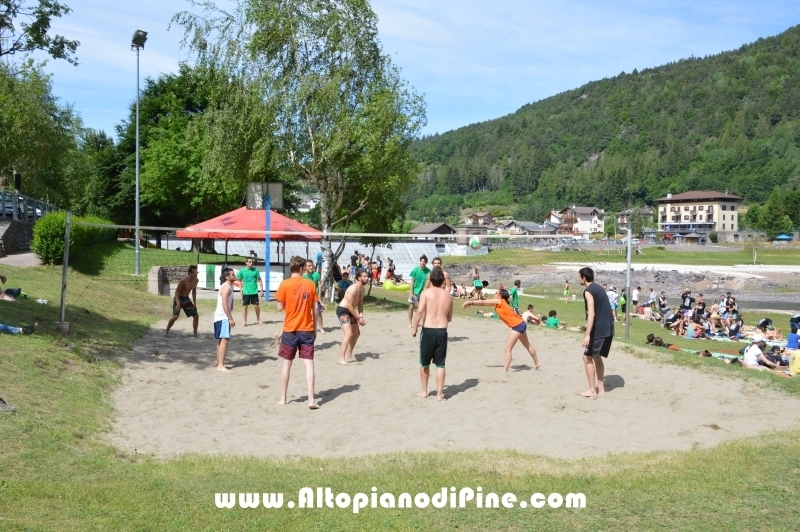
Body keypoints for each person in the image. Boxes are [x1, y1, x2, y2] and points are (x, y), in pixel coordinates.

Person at [276, 256, 320, 409]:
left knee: (287, 363)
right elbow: (315, 309)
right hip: (306, 329)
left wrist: (290, 303)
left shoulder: (284, 284)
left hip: (290, 330)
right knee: (309, 364)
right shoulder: (310, 284)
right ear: (302, 268)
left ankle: (283, 398)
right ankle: (311, 400)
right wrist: (315, 329)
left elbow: (279, 307)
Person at [462, 289, 541, 372]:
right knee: (527, 345)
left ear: (499, 295)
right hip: (521, 324)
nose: (494, 293)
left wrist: (470, 302)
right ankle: (537, 363)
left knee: (508, 349)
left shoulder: (500, 301)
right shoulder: (499, 302)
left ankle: (505, 371)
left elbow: (483, 301)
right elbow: (484, 303)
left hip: (517, 325)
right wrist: (471, 303)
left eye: (496, 292)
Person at [412, 267, 453, 400]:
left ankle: (424, 392)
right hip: (442, 331)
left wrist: (414, 328)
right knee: (440, 364)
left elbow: (419, 311)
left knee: (424, 363)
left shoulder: (426, 293)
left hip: (428, 330)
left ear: (430, 280)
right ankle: (439, 394)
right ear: (442, 280)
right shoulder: (448, 295)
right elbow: (449, 318)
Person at [579, 266, 614, 397]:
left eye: (579, 277)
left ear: (584, 278)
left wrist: (587, 335)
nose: (579, 279)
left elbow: (592, 313)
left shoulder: (588, 291)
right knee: (597, 357)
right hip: (608, 328)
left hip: (599, 330)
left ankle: (592, 390)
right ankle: (601, 389)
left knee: (587, 357)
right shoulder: (599, 288)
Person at [336, 269, 368, 365]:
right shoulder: (353, 288)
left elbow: (360, 304)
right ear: (359, 278)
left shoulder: (362, 289)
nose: (367, 278)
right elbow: (349, 305)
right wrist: (358, 318)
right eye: (365, 276)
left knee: (357, 333)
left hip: (351, 311)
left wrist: (361, 316)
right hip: (343, 310)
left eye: (367, 276)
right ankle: (341, 358)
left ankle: (349, 353)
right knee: (348, 333)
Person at [165, 265, 200, 337]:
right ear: (189, 273)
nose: (195, 274)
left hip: (186, 298)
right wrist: (178, 303)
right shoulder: (183, 280)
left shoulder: (196, 280)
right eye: (194, 273)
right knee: (175, 316)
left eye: (196, 272)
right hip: (179, 298)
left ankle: (195, 334)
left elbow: (194, 291)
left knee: (196, 316)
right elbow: (177, 292)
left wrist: (195, 303)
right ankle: (166, 331)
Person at [213, 267, 237, 372]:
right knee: (224, 340)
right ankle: (221, 366)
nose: (235, 276)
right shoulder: (226, 287)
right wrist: (230, 318)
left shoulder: (227, 286)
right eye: (232, 274)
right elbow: (224, 304)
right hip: (223, 317)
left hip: (219, 316)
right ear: (227, 277)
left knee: (221, 340)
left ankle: (218, 361)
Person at [237, 258, 264, 326]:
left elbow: (259, 280)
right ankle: (244, 321)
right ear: (246, 262)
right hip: (246, 292)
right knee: (245, 307)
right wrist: (240, 290)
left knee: (256, 306)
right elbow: (239, 280)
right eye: (250, 261)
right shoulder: (242, 271)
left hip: (254, 291)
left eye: (252, 262)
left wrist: (261, 290)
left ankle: (258, 319)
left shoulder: (256, 270)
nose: (251, 263)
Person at [303, 259, 326, 334]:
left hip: (316, 297)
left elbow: (319, 286)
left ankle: (321, 328)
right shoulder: (302, 276)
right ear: (305, 267)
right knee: (306, 313)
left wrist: (319, 297)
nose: (311, 267)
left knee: (318, 312)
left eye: (312, 265)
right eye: (309, 266)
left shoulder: (316, 274)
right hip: (306, 297)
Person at [407, 255, 431, 328]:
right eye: (421, 261)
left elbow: (429, 282)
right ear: (420, 261)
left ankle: (424, 323)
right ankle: (410, 322)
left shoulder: (428, 271)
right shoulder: (415, 270)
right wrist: (411, 292)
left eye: (424, 261)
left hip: (423, 293)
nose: (423, 262)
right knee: (411, 306)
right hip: (415, 292)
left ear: (426, 262)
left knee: (423, 308)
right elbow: (412, 281)